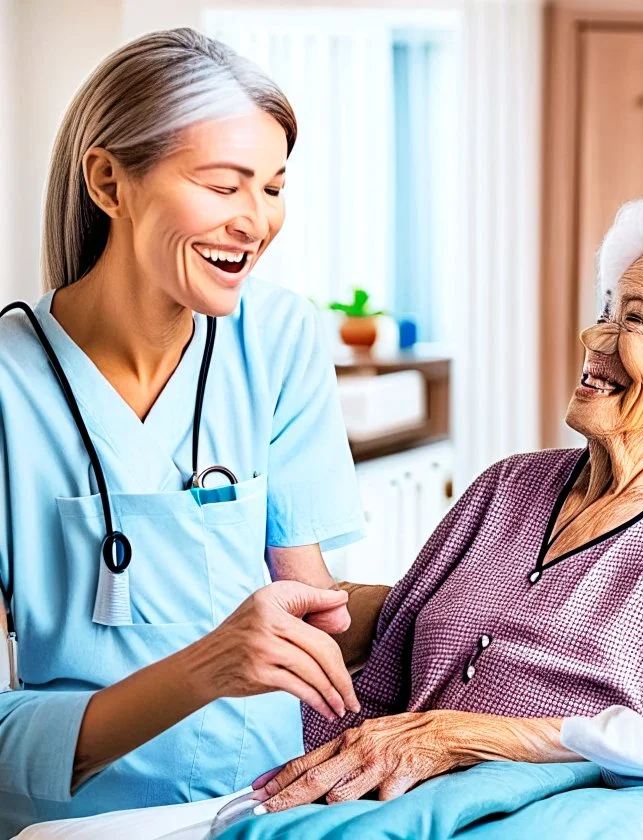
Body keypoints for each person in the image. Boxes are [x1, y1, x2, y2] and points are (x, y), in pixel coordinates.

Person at [0, 27, 390, 838]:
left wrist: (484, 592)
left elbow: (312, 612)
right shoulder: (10, 386)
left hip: (263, 808)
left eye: (274, 188)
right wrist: (208, 668)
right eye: (223, 186)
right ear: (109, 180)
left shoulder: (277, 339)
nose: (256, 222)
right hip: (76, 825)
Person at [256, 190, 643, 812]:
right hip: (360, 807)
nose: (594, 336)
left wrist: (461, 739)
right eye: (606, 311)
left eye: (634, 320)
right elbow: (383, 660)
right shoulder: (507, 486)